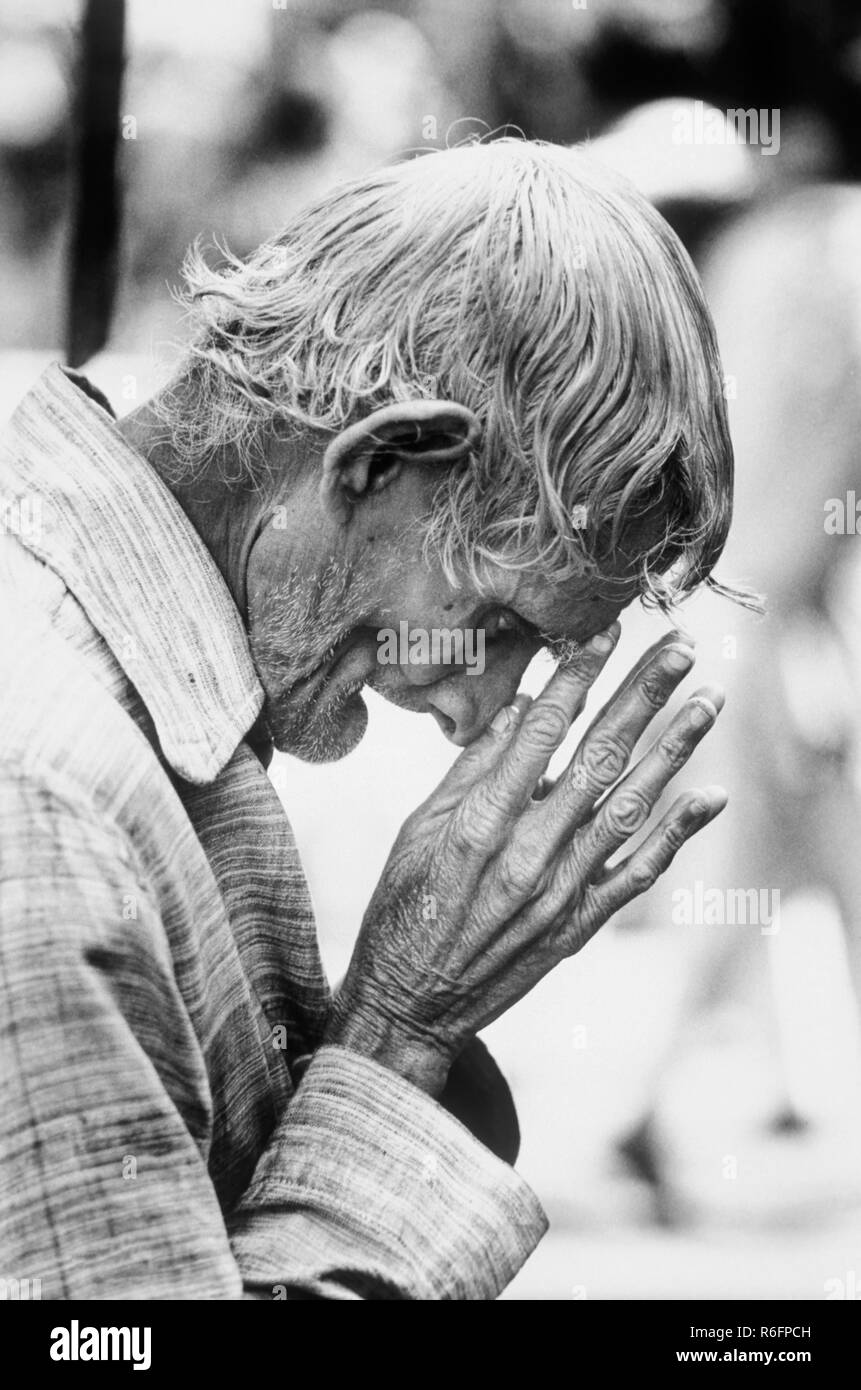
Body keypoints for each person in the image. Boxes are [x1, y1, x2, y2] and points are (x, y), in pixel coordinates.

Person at [0, 139, 733, 1299]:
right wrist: (396, 1033)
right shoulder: (43, 810)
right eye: (497, 621)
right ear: (381, 460)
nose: (479, 711)